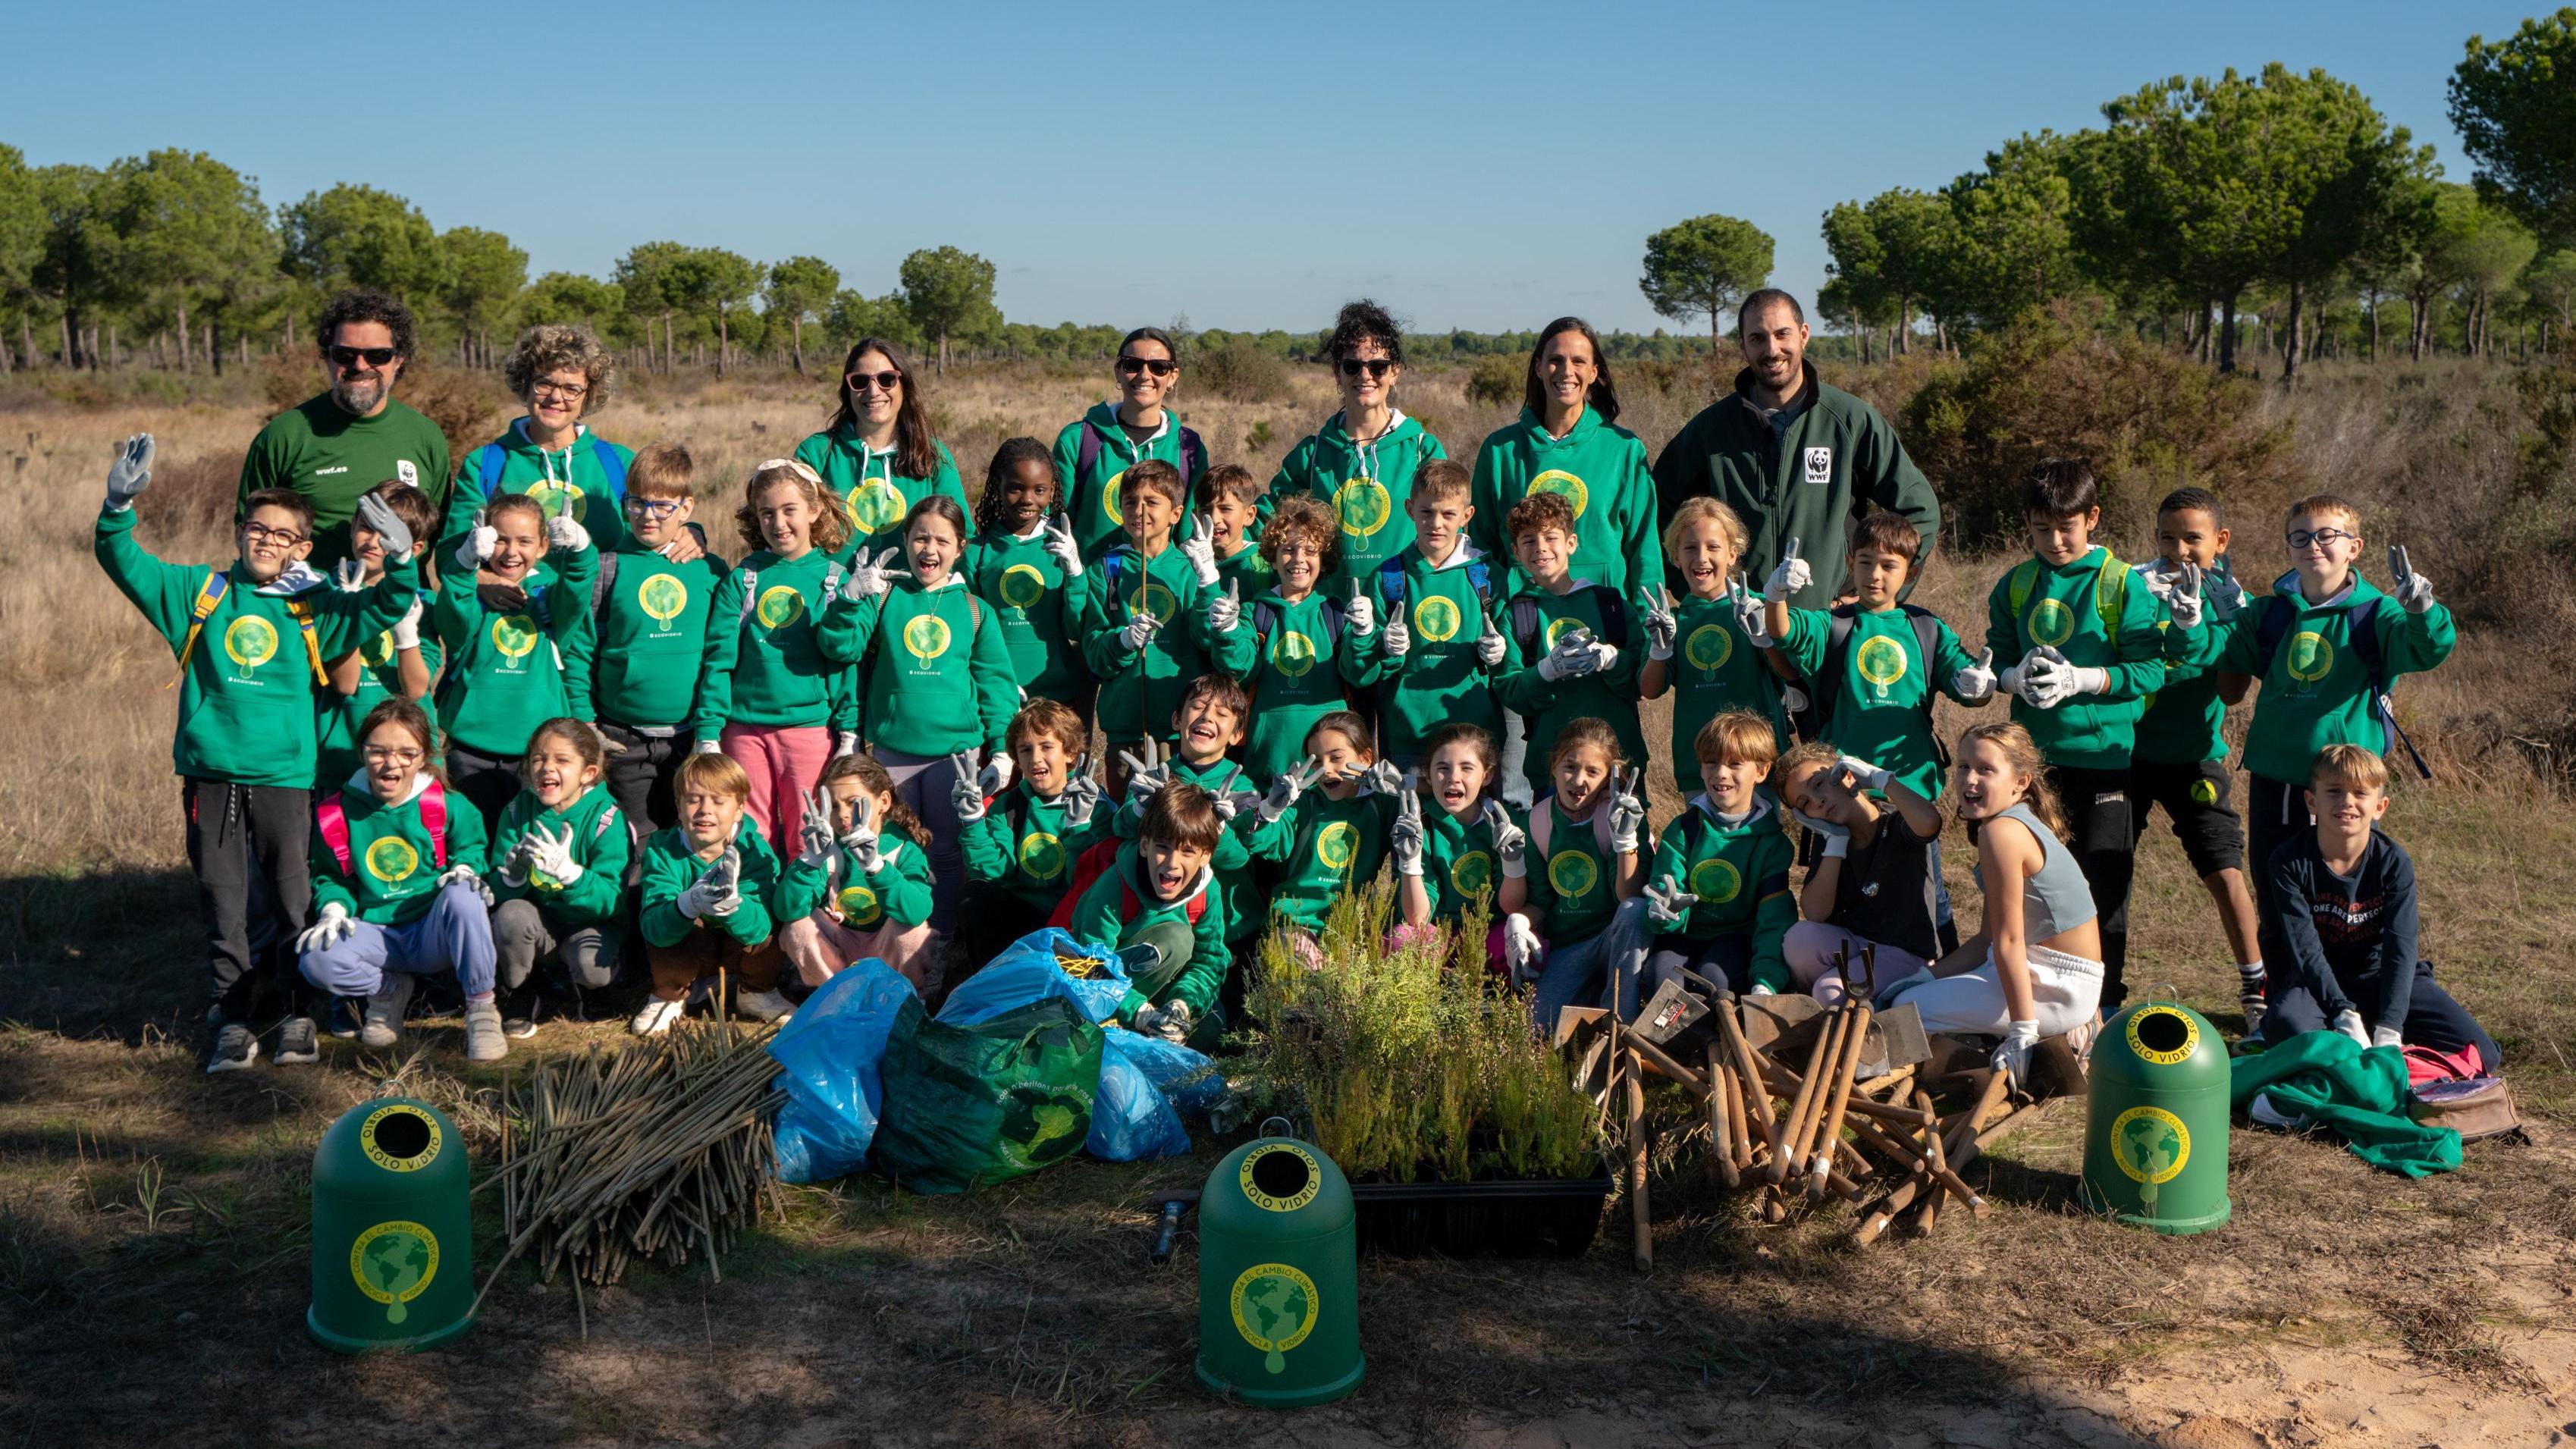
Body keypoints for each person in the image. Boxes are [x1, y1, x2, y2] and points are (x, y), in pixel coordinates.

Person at [96, 434, 420, 1072]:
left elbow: (385, 603)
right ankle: (235, 1015)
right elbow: (122, 560)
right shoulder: (200, 592)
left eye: (282, 535)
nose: (266, 541)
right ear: (240, 532)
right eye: (256, 528)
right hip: (211, 776)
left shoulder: (314, 606)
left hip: (283, 777)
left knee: (292, 896)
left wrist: (403, 556)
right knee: (223, 898)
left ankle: (297, 1011)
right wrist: (116, 505)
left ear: (302, 547)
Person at [2199, 492, 2456, 996]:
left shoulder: (2377, 614)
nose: (2312, 545)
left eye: (2326, 535)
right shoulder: (2270, 613)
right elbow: (2220, 654)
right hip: (2275, 779)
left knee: (2345, 902)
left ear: (2353, 546)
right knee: (2278, 898)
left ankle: (2349, 998)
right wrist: (2213, 615)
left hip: (2345, 788)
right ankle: (2285, 1005)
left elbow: (2427, 650)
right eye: (2300, 536)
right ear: (2288, 547)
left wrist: (2423, 609)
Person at [1983, 460, 2167, 1011]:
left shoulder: (2119, 583)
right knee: (2030, 889)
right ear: (2026, 524)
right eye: (2042, 529)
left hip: (2102, 758)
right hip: (2030, 765)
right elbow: (1995, 657)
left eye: (2066, 527)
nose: (2055, 540)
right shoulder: (2015, 584)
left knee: (2104, 884)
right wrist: (2007, 678)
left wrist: (2083, 679)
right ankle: (2032, 997)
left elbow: (2151, 670)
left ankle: (2104, 1003)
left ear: (2092, 519)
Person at [1650, 288, 1939, 609]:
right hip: (1738, 627)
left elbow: (1920, 511)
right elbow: (1655, 509)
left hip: (1828, 627)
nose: (1772, 349)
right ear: (1743, 346)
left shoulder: (1849, 421)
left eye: (1782, 334)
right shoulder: (1711, 429)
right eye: (1758, 338)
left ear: (1803, 335)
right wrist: (1696, 588)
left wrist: (1872, 596)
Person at [820, 494, 1019, 936]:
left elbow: (996, 687)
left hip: (956, 757)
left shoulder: (974, 610)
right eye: (920, 538)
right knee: (901, 849)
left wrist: (1002, 751)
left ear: (960, 546)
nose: (929, 549)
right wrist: (851, 599)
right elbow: (841, 648)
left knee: (947, 851)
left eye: (941, 541)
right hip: (894, 753)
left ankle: (941, 938)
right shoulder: (885, 598)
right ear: (906, 540)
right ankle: (901, 937)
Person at [1879, 723, 2105, 1090]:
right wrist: (1926, 976)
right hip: (2041, 970)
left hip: (2059, 986)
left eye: (1986, 769)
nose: (1970, 779)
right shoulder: (2009, 823)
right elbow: (1988, 938)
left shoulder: (2002, 833)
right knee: (1910, 992)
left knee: (1905, 1009)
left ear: (2021, 782)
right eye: (1964, 766)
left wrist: (2022, 1031)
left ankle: (2010, 1051)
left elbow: (2009, 943)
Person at [2257, 745, 2497, 1073]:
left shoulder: (2394, 862)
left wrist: (2391, 1026)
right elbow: (2304, 950)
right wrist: (2342, 1011)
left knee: (2484, 1053)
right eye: (2334, 791)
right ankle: (2350, 1036)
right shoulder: (2287, 862)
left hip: (2382, 977)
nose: (2347, 802)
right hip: (2317, 985)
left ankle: (2381, 1044)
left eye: (2360, 793)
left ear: (2380, 806)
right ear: (2311, 801)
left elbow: (2402, 947)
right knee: (2286, 1025)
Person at [296, 699, 504, 1062]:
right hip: (377, 934)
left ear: (423, 757)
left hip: (432, 931)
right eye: (378, 752)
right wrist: (332, 909)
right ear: (362, 753)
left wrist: (466, 869)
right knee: (316, 958)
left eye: (407, 753)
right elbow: (330, 875)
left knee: (464, 895)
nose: (391, 763)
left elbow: (473, 847)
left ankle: (482, 1008)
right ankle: (387, 992)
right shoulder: (335, 812)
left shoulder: (447, 804)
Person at [2129, 488, 2267, 1027]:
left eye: (2192, 538)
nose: (2178, 548)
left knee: (2224, 869)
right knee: (2105, 869)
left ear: (2220, 540)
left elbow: (2232, 693)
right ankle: (2094, 991)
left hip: (2194, 756)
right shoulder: (2133, 586)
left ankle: (2257, 987)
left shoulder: (2233, 600)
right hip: (2128, 753)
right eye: (2167, 536)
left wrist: (2212, 630)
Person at [698, 459, 858, 856]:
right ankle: (756, 915)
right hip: (744, 730)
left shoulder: (835, 579)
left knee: (810, 831)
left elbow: (843, 666)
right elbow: (719, 660)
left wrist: (849, 732)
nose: (779, 523)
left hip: (808, 729)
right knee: (749, 833)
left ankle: (803, 915)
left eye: (790, 511)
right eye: (767, 513)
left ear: (815, 510)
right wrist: (708, 731)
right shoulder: (743, 578)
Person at [236, 288, 452, 568]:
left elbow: (439, 535)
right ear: (327, 356)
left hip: (400, 606)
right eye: (345, 354)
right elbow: (249, 533)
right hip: (304, 607)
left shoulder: (426, 436)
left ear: (399, 361)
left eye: (378, 355)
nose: (360, 365)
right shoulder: (284, 435)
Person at [1080, 459, 1253, 792]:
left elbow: (1206, 639)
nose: (1139, 510)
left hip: (1184, 733)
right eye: (1130, 502)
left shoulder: (1192, 566)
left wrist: (1207, 584)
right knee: (1130, 826)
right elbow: (1094, 651)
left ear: (1175, 514)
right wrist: (1124, 641)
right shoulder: (1107, 569)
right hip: (1126, 728)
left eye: (1152, 502)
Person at [1468, 316, 1662, 606]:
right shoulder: (1500, 450)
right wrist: (1488, 619)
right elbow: (1483, 550)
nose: (1566, 371)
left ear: (1594, 372)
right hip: (1523, 623)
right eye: (1555, 360)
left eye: (1579, 362)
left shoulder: (1624, 448)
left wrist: (1652, 628)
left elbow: (1644, 548)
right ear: (1538, 367)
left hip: (1607, 621)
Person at [433, 494, 599, 832]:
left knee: (531, 848)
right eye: (500, 540)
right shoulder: (473, 599)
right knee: (473, 843)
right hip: (469, 752)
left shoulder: (550, 599)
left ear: (543, 547)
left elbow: (578, 589)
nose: (511, 552)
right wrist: (465, 566)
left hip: (538, 756)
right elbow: (452, 622)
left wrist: (581, 550)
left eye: (525, 542)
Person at [591, 444, 725, 838]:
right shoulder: (608, 566)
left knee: (694, 837)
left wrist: (711, 730)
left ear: (686, 510)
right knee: (636, 840)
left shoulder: (710, 570)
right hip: (622, 737)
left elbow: (721, 653)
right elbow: (586, 648)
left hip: (691, 735)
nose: (648, 516)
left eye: (663, 506)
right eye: (637, 503)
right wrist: (586, 717)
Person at [1270, 300, 1448, 593]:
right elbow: (1269, 525)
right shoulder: (1312, 455)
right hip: (1327, 615)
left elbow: (1449, 533)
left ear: (1395, 372)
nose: (1365, 376)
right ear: (1336, 372)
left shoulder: (1422, 450)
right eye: (1352, 366)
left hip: (1403, 608)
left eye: (1378, 366)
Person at [1632, 711, 1796, 1008]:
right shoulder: (1684, 830)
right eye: (1711, 763)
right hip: (1684, 936)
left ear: (1761, 771)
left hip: (1736, 938)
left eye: (1735, 764)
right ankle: (1669, 1046)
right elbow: (1663, 889)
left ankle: (1711, 1046)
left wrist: (1765, 983)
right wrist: (1663, 913)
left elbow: (1774, 921)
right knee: (1662, 979)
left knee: (1713, 980)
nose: (1720, 773)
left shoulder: (1771, 844)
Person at [441, 324, 646, 559]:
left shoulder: (620, 463)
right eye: (545, 383)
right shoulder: (485, 464)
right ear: (525, 385)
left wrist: (690, 534)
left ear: (588, 396)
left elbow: (655, 537)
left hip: (598, 595)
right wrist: (488, 580)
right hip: (512, 595)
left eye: (572, 389)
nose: (556, 397)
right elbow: (452, 552)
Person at [1358, 458, 1510, 770]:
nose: (1436, 523)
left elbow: (1514, 663)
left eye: (1448, 514)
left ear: (1467, 516)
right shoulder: (1388, 577)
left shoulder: (1488, 576)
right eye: (1426, 512)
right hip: (1407, 735)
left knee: (1474, 818)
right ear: (1410, 509)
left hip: (1475, 737)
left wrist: (1500, 654)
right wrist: (1383, 648)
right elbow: (1363, 668)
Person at [1109, 674, 1266, 974]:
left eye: (1222, 714)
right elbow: (1124, 831)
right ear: (1176, 720)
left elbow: (1239, 859)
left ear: (1236, 735)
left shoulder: (1243, 787)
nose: (1207, 716)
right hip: (1164, 919)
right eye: (1197, 707)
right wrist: (1142, 804)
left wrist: (1218, 829)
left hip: (1230, 927)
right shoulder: (1153, 777)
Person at [488, 717, 630, 1036]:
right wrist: (511, 878)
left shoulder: (607, 819)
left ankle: (591, 989)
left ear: (588, 773)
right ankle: (522, 989)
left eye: (562, 760)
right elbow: (495, 892)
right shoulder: (516, 812)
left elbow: (612, 902)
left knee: (593, 965)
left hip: (590, 926)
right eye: (538, 759)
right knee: (511, 915)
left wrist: (573, 876)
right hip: (540, 928)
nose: (547, 767)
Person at [1493, 492, 1641, 795]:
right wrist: (1546, 671)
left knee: (1624, 840)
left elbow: (1643, 680)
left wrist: (1612, 660)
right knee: (1557, 842)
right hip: (1551, 765)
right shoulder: (1517, 615)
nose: (1541, 548)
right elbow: (1510, 690)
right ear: (1515, 551)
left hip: (1618, 761)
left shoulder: (1609, 604)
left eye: (1551, 537)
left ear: (1571, 543)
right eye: (1529, 540)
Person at [1066, 782, 1235, 1047]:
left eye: (1187, 851)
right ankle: (1119, 1027)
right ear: (1145, 845)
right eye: (1162, 848)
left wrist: (1181, 1007)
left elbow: (1209, 962)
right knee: (1176, 939)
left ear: (1205, 856)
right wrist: (1140, 1013)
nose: (1171, 863)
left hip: (1165, 988)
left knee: (1212, 1024)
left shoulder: (1208, 892)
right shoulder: (1115, 884)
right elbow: (1091, 963)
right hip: (1109, 991)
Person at [1639, 497, 1788, 798]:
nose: (1701, 557)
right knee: (1703, 842)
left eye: (1713, 547)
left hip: (1754, 765)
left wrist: (1766, 637)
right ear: (1675, 557)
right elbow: (1650, 689)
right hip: (1699, 767)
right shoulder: (1673, 620)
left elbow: (1787, 671)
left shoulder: (1756, 608)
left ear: (1733, 554)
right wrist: (1659, 651)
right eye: (1690, 548)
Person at [1776, 742, 1946, 1005]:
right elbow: (1815, 913)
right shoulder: (1829, 839)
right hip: (1856, 944)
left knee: (1828, 990)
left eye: (1819, 784)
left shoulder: (1897, 823)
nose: (1817, 801)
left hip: (1904, 953)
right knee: (1797, 940)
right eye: (1805, 803)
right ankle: (1842, 1001)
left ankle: (1879, 1004)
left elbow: (1929, 823)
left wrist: (1882, 780)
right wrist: (1836, 844)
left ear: (1846, 774)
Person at [633, 750, 787, 1033]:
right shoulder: (662, 849)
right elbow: (653, 928)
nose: (705, 810)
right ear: (678, 807)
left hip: (737, 949)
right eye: (693, 800)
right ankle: (669, 995)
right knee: (667, 917)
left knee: (780, 911)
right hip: (692, 948)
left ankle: (756, 990)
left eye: (719, 801)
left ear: (739, 809)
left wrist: (735, 906)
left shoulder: (755, 850)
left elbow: (760, 929)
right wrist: (686, 904)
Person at [1514, 719, 1649, 1029]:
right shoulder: (1535, 823)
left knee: (1634, 911)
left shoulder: (1621, 816)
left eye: (1593, 772)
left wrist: (1626, 842)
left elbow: (1628, 897)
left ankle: (1619, 1021)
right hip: (1569, 945)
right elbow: (1540, 900)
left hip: (1615, 938)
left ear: (1609, 777)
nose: (1579, 780)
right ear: (1553, 766)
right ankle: (1589, 992)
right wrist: (1520, 920)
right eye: (1570, 767)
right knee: (1534, 1028)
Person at [958, 698, 1111, 970]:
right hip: (1023, 915)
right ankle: (991, 983)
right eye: (1025, 750)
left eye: (1047, 747)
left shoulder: (1095, 808)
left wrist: (1079, 829)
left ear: (1071, 752)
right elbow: (995, 874)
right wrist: (972, 822)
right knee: (975, 895)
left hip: (1070, 919)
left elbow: (1088, 882)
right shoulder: (1009, 806)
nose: (1035, 758)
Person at [1233, 496, 1376, 783]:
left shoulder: (1336, 613)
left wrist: (1363, 635)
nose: (1298, 559)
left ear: (1324, 561)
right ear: (1273, 558)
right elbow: (1239, 670)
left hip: (1330, 766)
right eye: (1288, 550)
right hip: (1269, 760)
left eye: (1310, 551)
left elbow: (1361, 674)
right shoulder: (1256, 612)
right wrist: (1226, 632)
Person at [776, 753, 938, 993]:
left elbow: (917, 912)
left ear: (883, 801)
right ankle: (834, 995)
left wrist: (876, 867)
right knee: (797, 928)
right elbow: (785, 911)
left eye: (853, 802)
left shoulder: (904, 849)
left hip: (886, 950)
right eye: (832, 805)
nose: (842, 814)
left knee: (912, 934)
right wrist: (810, 861)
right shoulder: (827, 848)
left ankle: (901, 998)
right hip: (839, 947)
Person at [792, 338, 968, 558]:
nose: (873, 391)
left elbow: (962, 536)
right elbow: (789, 532)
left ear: (904, 385)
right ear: (847, 389)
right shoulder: (816, 453)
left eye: (887, 379)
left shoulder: (932, 454)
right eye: (860, 381)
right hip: (832, 591)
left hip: (912, 591)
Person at [315, 481, 438, 791]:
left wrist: (406, 635)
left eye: (387, 534)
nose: (373, 541)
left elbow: (415, 689)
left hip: (408, 758)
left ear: (415, 549)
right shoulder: (327, 592)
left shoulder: (424, 602)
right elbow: (345, 684)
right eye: (365, 527)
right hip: (342, 751)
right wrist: (350, 609)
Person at [1240, 712, 1400, 949]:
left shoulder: (1382, 804)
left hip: (1351, 924)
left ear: (1366, 757)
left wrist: (1401, 791)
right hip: (1295, 922)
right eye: (1316, 761)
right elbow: (1264, 843)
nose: (1325, 769)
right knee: (1310, 968)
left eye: (1336, 758)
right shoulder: (1306, 803)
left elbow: (1421, 822)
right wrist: (1268, 809)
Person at [965, 437, 1095, 720]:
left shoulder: (1062, 548)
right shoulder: (977, 552)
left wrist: (1075, 574)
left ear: (1052, 493)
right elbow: (968, 629)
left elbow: (1077, 628)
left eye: (1039, 490)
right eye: (1015, 488)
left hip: (1058, 697)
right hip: (996, 697)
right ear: (998, 487)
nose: (1027, 499)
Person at [1055, 327, 1208, 560]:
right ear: (1118, 371)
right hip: (1088, 590)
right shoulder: (1078, 440)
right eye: (1132, 364)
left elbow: (1190, 534)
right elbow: (1056, 523)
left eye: (1158, 367)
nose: (1145, 375)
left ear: (1173, 377)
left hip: (1160, 590)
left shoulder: (1189, 449)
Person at [1391, 723, 1527, 974]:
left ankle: (1498, 1005)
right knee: (1403, 938)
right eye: (1442, 768)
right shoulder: (1421, 823)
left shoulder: (1504, 824)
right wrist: (1409, 861)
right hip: (1437, 934)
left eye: (1467, 768)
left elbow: (1511, 906)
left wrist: (1513, 863)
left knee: (1524, 945)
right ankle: (1424, 1004)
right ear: (1428, 776)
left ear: (1486, 776)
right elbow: (1418, 918)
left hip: (1488, 931)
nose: (1454, 777)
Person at [1197, 464, 1275, 598]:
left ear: (1249, 515)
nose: (1214, 519)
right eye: (1205, 510)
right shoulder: (1188, 566)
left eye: (1225, 509)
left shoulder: (1269, 564)